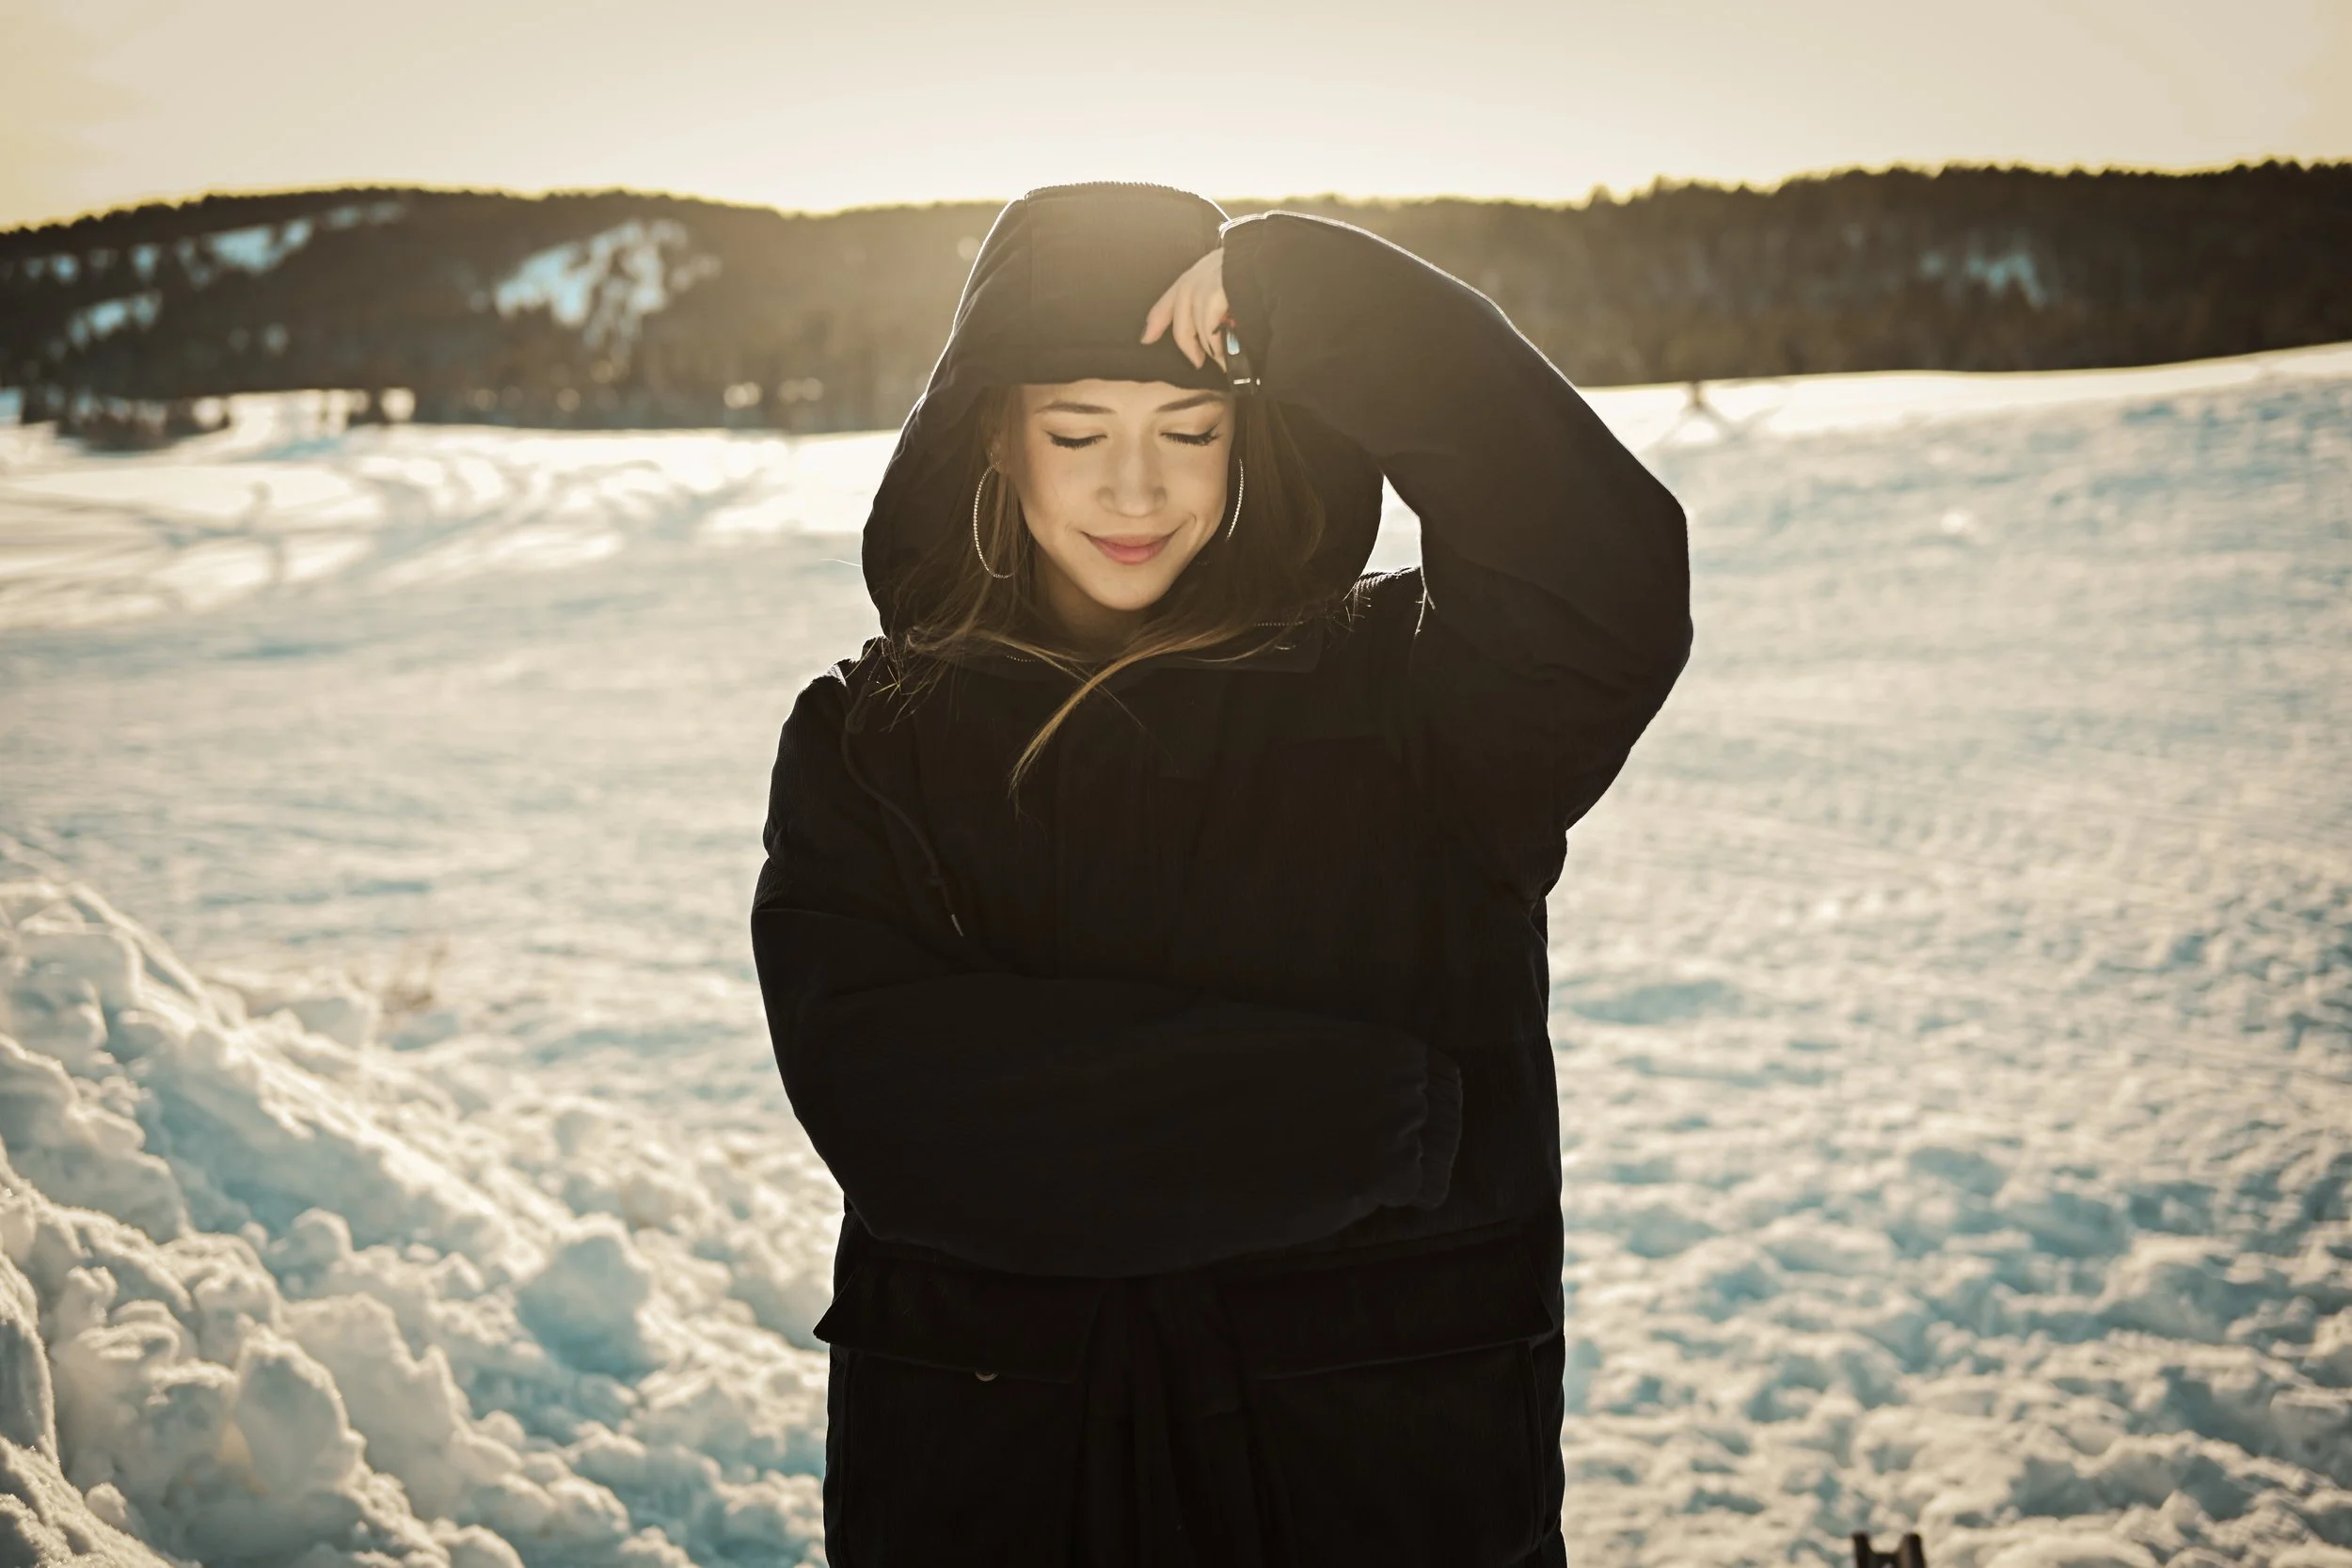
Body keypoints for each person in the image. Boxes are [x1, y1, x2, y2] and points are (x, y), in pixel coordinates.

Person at [750, 181, 1691, 1567]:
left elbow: (1599, 583)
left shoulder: (1415, 709)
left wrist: (1320, 297)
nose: (1135, 487)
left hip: (1372, 1482)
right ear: (994, 445)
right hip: (1003, 1479)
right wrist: (1373, 1119)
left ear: (1249, 435)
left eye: (1188, 427)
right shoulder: (873, 744)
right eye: (1078, 430)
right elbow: (898, 1103)